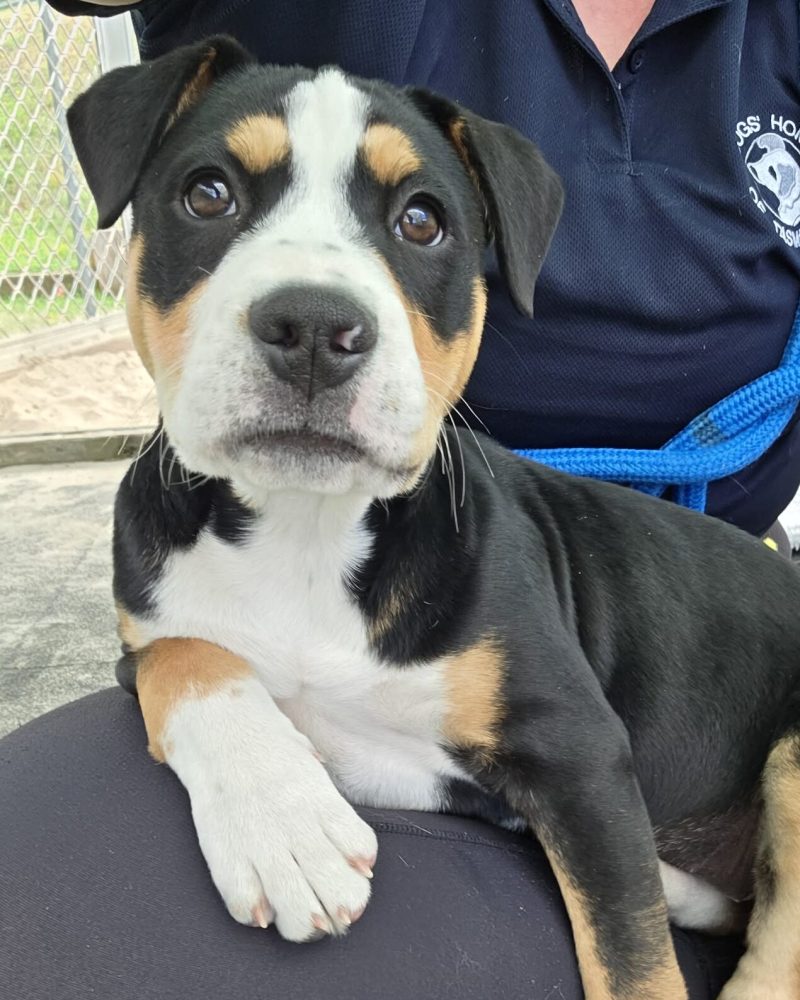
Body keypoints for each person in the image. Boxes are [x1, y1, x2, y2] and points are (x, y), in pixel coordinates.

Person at [2, 1, 795, 996]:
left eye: (418, 218)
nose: (315, 311)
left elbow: (577, 762)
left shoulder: (466, 579)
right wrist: (194, 697)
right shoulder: (158, 556)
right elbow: (156, 644)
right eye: (211, 192)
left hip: (723, 746)